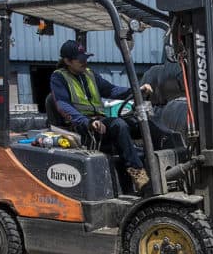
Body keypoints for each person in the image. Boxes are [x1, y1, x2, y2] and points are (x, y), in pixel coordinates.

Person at [46, 40, 153, 191]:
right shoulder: (59, 78)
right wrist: (86, 122)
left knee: (140, 123)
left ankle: (159, 166)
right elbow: (63, 105)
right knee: (119, 125)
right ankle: (139, 177)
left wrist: (136, 91)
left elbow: (111, 90)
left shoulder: (90, 74)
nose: (85, 62)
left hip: (99, 122)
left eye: (86, 58)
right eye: (81, 59)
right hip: (81, 127)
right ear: (67, 61)